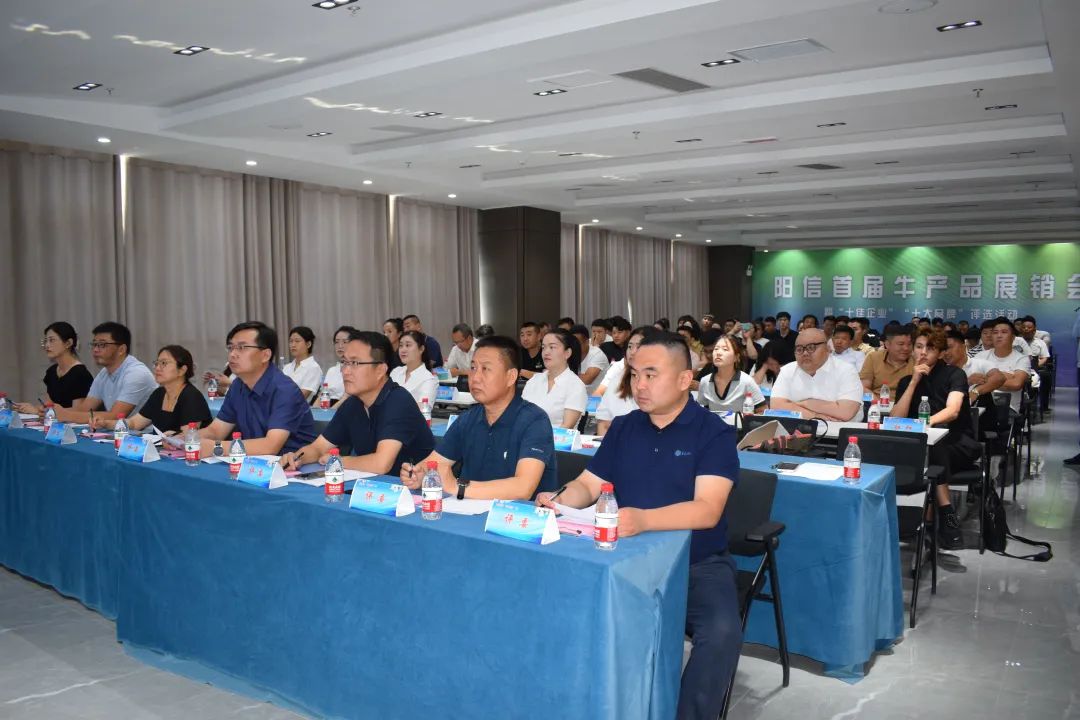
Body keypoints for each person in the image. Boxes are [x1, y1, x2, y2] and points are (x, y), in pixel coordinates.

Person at [537, 331, 742, 720]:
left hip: (694, 564)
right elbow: (588, 484)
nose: (640, 385)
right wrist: (559, 499)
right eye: (634, 374)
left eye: (651, 374)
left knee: (722, 634)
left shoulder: (713, 432)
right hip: (622, 557)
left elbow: (707, 510)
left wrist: (644, 519)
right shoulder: (625, 427)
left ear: (684, 379)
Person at [400, 335, 556, 499]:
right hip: (468, 509)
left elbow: (522, 488)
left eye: (486, 369)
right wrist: (419, 474)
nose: (475, 377)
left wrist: (458, 487)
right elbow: (436, 462)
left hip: (518, 513)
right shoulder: (467, 419)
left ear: (510, 377)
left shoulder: (535, 421)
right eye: (473, 368)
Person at [282, 331, 434, 475]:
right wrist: (297, 457)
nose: (345, 371)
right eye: (344, 362)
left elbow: (381, 464)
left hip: (418, 489)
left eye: (354, 363)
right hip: (373, 486)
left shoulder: (398, 401)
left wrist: (338, 461)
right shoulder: (353, 404)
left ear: (380, 370)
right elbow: (318, 447)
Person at [891, 329, 981, 549]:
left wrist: (923, 424)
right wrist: (913, 382)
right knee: (930, 451)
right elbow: (895, 419)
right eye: (919, 347)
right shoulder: (906, 380)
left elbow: (953, 411)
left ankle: (938, 518)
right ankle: (943, 515)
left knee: (935, 445)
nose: (923, 353)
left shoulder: (954, 374)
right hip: (923, 449)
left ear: (940, 353)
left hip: (958, 443)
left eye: (930, 348)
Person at [197, 322, 317, 456]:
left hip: (293, 464)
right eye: (231, 348)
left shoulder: (285, 390)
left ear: (265, 355)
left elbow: (270, 446)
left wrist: (216, 447)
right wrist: (187, 438)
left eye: (242, 347)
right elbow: (216, 431)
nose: (232, 354)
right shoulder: (238, 385)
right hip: (254, 462)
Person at [50, 322, 157, 425]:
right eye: (94, 344)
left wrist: (66, 415)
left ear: (121, 349)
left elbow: (115, 416)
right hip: (118, 431)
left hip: (144, 434)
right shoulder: (104, 373)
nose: (95, 350)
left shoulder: (136, 374)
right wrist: (53, 411)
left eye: (102, 345)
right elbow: (85, 409)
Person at [91, 345, 212, 435]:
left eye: (164, 363)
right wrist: (105, 423)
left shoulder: (191, 397)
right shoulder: (159, 394)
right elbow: (135, 423)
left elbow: (189, 436)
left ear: (182, 370)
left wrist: (174, 437)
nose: (157, 368)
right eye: (156, 363)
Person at [771, 329, 864, 421]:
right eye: (799, 349)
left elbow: (846, 412)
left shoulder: (846, 370)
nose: (805, 353)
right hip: (797, 427)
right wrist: (814, 416)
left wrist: (804, 403)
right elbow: (776, 406)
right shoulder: (787, 370)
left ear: (827, 348)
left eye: (811, 348)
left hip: (841, 429)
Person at [12, 322, 93, 413]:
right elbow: (49, 405)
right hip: (55, 421)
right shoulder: (52, 371)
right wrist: (33, 408)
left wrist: (37, 411)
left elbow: (78, 411)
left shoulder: (80, 373)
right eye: (45, 341)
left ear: (68, 343)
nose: (47, 345)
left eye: (52, 340)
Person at [521, 329, 588, 429]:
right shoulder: (534, 380)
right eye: (543, 347)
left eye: (552, 347)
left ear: (567, 353)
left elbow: (566, 426)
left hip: (556, 438)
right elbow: (521, 417)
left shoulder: (575, 385)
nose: (546, 352)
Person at [595, 326, 652, 435]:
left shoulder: (662, 381)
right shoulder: (617, 379)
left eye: (639, 347)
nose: (633, 352)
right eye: (630, 347)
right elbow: (604, 423)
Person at [975, 316, 1031, 414]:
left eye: (1004, 332)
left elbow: (1016, 384)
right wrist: (1007, 376)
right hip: (979, 405)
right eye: (995, 332)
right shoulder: (980, 356)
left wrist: (986, 378)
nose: (999, 336)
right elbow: (972, 379)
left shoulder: (1021, 359)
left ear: (1013, 337)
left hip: (1007, 409)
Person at [698, 336, 765, 413]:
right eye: (716, 349)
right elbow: (701, 410)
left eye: (725, 349)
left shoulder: (746, 381)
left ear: (736, 357)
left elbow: (762, 410)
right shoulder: (705, 381)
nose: (718, 353)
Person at [943, 330, 1006, 404]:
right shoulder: (941, 372)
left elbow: (999, 377)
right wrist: (967, 382)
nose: (946, 353)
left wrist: (975, 391)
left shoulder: (980, 364)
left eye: (949, 347)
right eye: (942, 349)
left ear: (963, 347)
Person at [860, 325, 914, 395]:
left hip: (907, 401)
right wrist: (877, 401)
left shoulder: (915, 361)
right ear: (887, 344)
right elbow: (864, 388)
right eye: (901, 344)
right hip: (877, 400)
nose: (906, 348)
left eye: (909, 344)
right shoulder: (873, 357)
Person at [390, 330, 438, 406]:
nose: (403, 350)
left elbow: (423, 409)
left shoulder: (429, 379)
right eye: (401, 345)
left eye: (408, 345)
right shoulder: (395, 371)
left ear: (421, 349)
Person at [283, 326, 323, 401]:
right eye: (291, 341)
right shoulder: (287, 367)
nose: (293, 345)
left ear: (308, 344)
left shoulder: (313, 368)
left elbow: (300, 397)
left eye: (297, 341)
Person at [322, 325, 356, 407]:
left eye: (345, 342)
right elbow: (322, 395)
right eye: (337, 342)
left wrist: (330, 411)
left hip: (346, 407)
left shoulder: (357, 368)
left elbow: (347, 397)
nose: (340, 346)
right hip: (328, 407)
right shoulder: (332, 370)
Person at [572, 324, 610, 394]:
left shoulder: (597, 354)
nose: (574, 347)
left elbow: (587, 379)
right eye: (572, 344)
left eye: (577, 343)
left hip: (600, 397)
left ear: (587, 342)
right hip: (580, 396)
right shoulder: (570, 353)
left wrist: (564, 375)